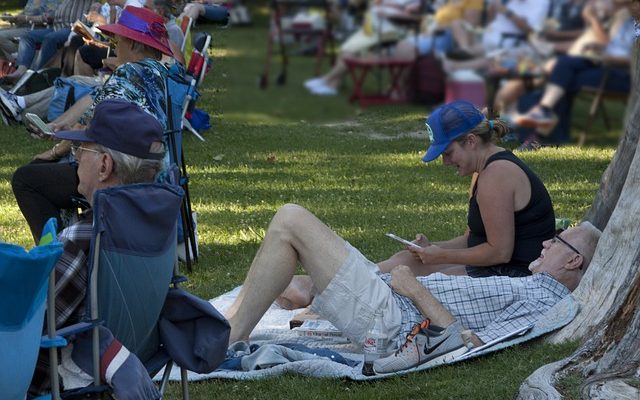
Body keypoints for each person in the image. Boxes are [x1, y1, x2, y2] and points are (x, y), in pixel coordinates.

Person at [224, 201, 600, 374]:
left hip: (393, 322)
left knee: (291, 219)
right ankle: (232, 325)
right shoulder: (531, 288)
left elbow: (471, 344)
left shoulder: (543, 300)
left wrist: (413, 288)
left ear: (573, 261)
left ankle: (225, 339)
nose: (546, 243)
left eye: (557, 242)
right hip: (389, 300)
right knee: (290, 255)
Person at [28, 99, 166, 395]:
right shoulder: (160, 228)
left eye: (82, 150)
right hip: (138, 358)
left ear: (104, 166)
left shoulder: (81, 239)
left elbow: (31, 329)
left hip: (58, 380)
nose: (76, 157)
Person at [8, 5, 174, 243]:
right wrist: (58, 124)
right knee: (49, 171)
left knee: (27, 178)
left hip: (121, 173)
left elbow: (89, 127)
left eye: (117, 43)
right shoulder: (160, 74)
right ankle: (71, 235)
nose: (114, 49)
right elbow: (94, 99)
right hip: (156, 169)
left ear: (135, 44)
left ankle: (54, 253)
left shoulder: (127, 75)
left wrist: (54, 150)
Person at [513, 3, 634, 147]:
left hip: (622, 74)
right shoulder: (625, 18)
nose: (632, 6)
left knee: (563, 77)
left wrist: (607, 58)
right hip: (604, 65)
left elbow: (634, 60)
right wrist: (599, 48)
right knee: (563, 69)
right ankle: (545, 129)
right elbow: (614, 46)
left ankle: (540, 132)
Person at [2, 0, 93, 82]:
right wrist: (49, 16)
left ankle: (36, 74)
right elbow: (58, 15)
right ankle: (20, 70)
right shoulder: (64, 2)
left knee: (50, 38)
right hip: (56, 28)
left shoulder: (89, 2)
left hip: (73, 29)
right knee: (27, 37)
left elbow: (90, 17)